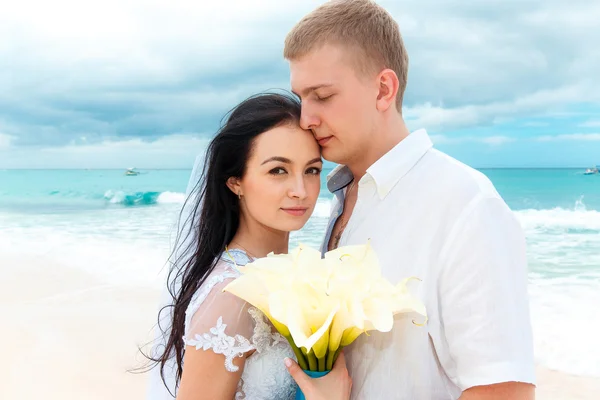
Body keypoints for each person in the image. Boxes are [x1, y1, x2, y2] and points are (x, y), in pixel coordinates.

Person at [282, 0, 537, 399]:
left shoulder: (465, 204)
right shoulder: (341, 196)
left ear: (384, 89)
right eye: (301, 97)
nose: (305, 118)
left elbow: (503, 389)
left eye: (322, 96)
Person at [144, 92, 352, 400]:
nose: (301, 190)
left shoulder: (292, 276)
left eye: (311, 170)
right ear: (235, 182)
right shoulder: (232, 295)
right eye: (278, 170)